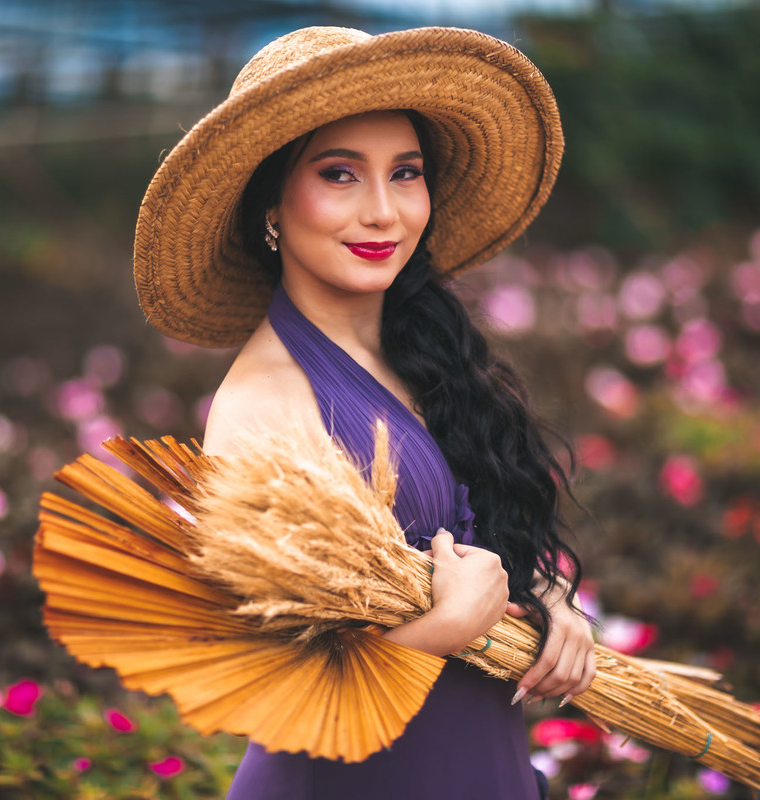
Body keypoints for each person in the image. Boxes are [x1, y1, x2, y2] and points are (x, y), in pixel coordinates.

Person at [133, 26, 596, 800]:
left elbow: (480, 536)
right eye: (340, 174)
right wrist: (449, 627)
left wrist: (548, 601)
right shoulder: (263, 405)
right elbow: (275, 693)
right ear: (271, 205)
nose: (383, 211)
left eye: (405, 173)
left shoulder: (431, 354)